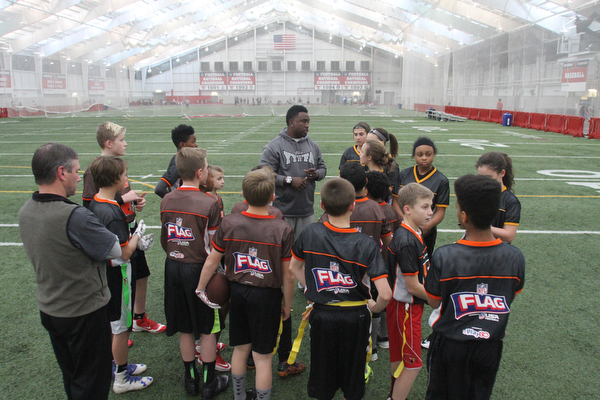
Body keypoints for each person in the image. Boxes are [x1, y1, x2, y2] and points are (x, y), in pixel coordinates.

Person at [18, 143, 119, 400]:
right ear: (61, 173)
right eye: (76, 170)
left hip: (51, 308)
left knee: (73, 376)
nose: (79, 176)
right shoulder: (74, 216)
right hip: (82, 312)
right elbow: (114, 249)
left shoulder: (26, 210)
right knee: (93, 383)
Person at [197, 166, 295, 400]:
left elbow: (212, 261)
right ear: (272, 197)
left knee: (240, 350)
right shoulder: (282, 228)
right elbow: (288, 275)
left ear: (243, 194)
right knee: (262, 357)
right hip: (267, 295)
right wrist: (287, 304)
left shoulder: (230, 222)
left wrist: (201, 287)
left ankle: (239, 397)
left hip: (238, 292)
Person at [424, 174, 525, 400]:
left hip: (450, 343)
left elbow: (433, 300)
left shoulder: (445, 256)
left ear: (464, 215)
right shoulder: (515, 257)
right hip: (489, 345)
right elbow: (510, 296)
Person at [289, 178, 392, 400]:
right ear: (353, 205)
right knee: (353, 377)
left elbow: (294, 266)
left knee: (323, 376)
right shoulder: (366, 243)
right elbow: (385, 294)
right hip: (356, 316)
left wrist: (312, 288)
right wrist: (373, 306)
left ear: (322, 206)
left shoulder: (310, 233)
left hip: (323, 314)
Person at [259, 104, 326, 376]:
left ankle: (304, 287)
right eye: (303, 121)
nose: (307, 125)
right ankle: (278, 284)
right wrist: (289, 179)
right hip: (284, 210)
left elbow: (322, 167)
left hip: (307, 208)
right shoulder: (274, 146)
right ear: (290, 122)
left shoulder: (313, 145)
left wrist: (315, 175)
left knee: (306, 252)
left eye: (308, 121)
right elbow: (264, 174)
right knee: (281, 255)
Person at [82, 121, 166, 337]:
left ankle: (139, 318)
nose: (126, 143)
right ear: (109, 143)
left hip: (127, 228)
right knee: (117, 281)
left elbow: (118, 197)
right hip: (114, 234)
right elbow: (92, 205)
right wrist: (121, 200)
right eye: (121, 140)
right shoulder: (96, 169)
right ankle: (116, 329)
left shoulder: (117, 165)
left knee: (141, 274)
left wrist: (134, 204)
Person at [159, 147, 229, 398]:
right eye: (208, 168)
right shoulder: (209, 202)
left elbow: (165, 240)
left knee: (185, 327)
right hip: (200, 270)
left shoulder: (167, 199)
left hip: (173, 266)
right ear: (200, 173)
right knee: (208, 328)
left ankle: (191, 379)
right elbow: (214, 248)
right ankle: (209, 383)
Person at [88, 156, 154, 394]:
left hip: (106, 272)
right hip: (119, 273)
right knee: (121, 327)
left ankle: (118, 365)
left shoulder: (97, 202)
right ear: (116, 179)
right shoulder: (112, 212)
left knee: (115, 324)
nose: (127, 178)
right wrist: (137, 234)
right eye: (125, 175)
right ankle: (121, 378)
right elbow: (125, 252)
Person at [319, 163, 392, 362]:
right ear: (366, 181)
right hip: (365, 272)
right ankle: (369, 351)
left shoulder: (333, 209)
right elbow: (387, 241)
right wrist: (381, 263)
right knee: (364, 311)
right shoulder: (376, 208)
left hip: (335, 273)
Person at [386, 183, 434, 400]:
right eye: (424, 207)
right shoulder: (406, 240)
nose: (430, 212)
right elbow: (413, 285)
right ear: (407, 209)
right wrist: (439, 299)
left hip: (403, 306)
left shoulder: (414, 231)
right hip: (405, 306)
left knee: (400, 359)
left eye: (430, 206)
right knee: (413, 364)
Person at [397, 137, 449, 254]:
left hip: (426, 229)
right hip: (403, 226)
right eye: (420, 155)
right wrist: (405, 220)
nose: (424, 158)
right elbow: (395, 201)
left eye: (428, 154)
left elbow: (440, 211)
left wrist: (427, 226)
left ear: (434, 155)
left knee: (424, 261)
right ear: (414, 155)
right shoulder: (404, 174)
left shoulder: (441, 180)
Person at [476, 152, 520, 243]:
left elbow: (509, 235)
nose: (484, 181)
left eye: (488, 177)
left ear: (502, 173)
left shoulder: (510, 201)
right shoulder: (476, 193)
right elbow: (464, 225)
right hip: (476, 248)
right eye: (480, 177)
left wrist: (480, 226)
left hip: (498, 252)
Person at [155, 124, 198, 198]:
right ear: (182, 145)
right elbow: (159, 189)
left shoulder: (188, 160)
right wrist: (175, 202)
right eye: (193, 142)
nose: (196, 144)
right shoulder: (177, 163)